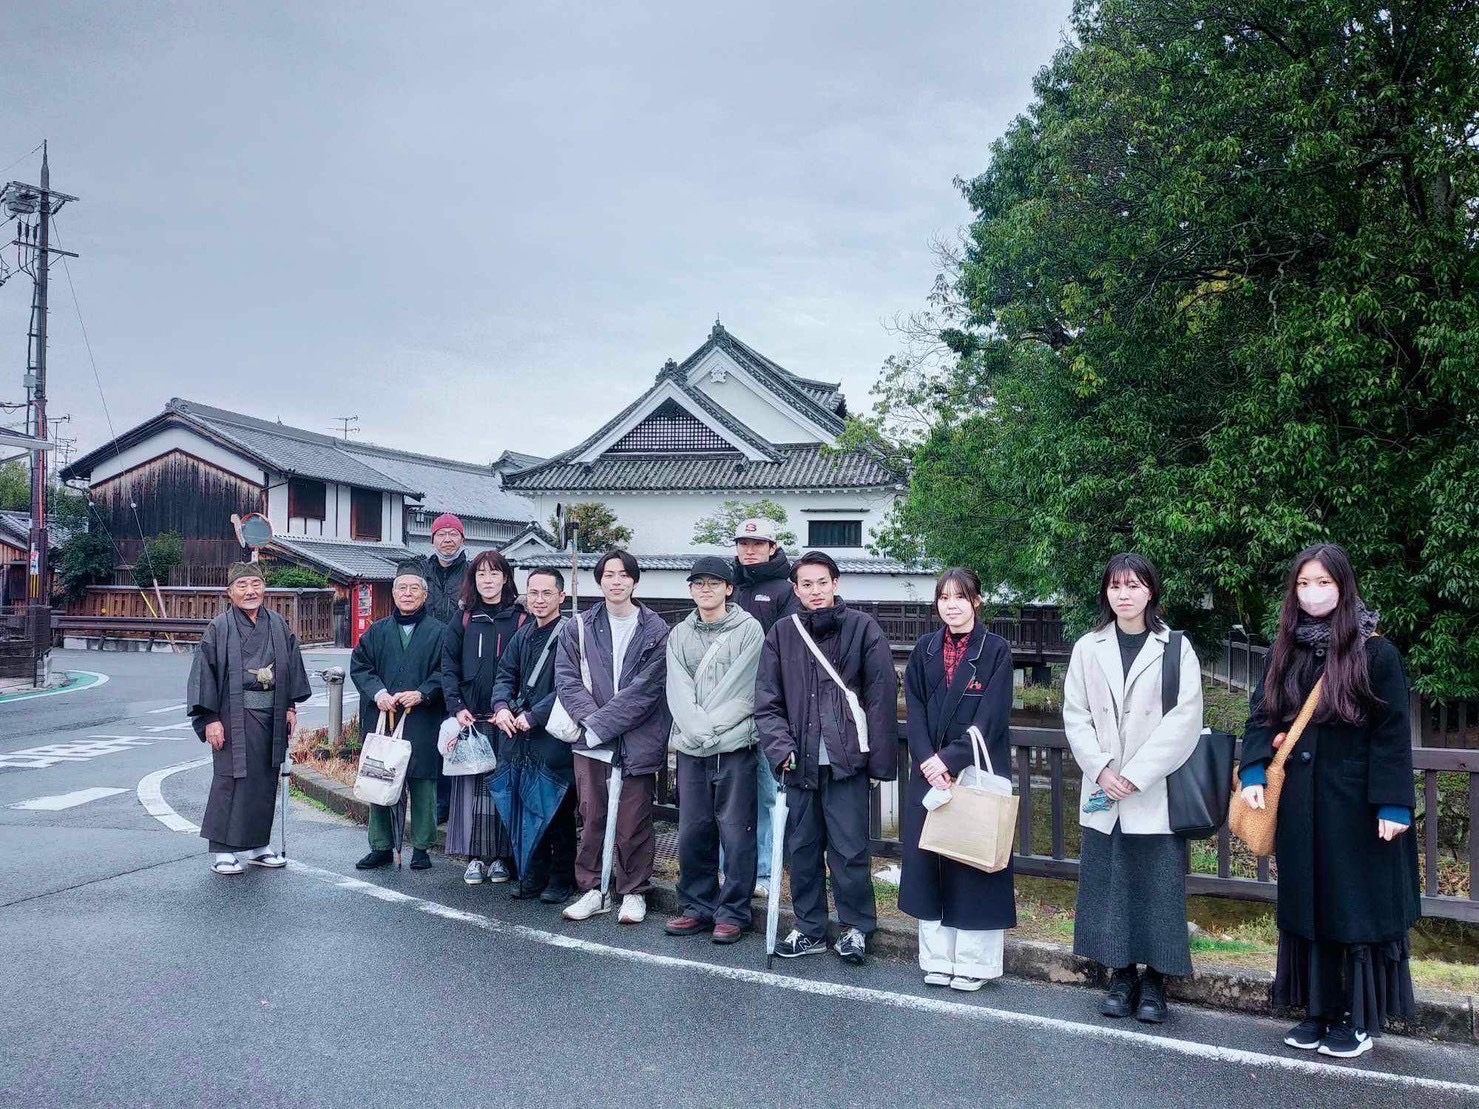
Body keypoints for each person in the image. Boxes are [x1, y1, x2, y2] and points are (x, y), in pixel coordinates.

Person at [1238, 544, 1419, 1059]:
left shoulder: (1375, 652)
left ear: (1343, 586)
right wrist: (1254, 769)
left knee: (1352, 910)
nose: (1313, 594)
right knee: (1311, 908)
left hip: (1356, 808)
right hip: (1301, 804)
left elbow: (1391, 733)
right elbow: (1263, 716)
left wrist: (1393, 804)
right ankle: (1317, 1012)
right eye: (1303, 584)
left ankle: (1355, 1020)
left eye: (1323, 583)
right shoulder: (1285, 649)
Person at [1062, 553, 1203, 1023]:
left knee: (1157, 887)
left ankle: (1155, 983)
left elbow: (1184, 719)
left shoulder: (1176, 647)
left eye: (1134, 586)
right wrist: (1102, 769)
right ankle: (1120, 976)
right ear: (1106, 593)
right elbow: (1075, 714)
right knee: (1110, 884)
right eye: (1116, 586)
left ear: (1151, 592)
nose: (1124, 595)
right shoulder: (1088, 646)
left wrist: (1137, 774)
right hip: (1103, 788)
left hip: (1153, 788)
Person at [754, 550, 898, 965]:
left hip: (845, 760)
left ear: (836, 584)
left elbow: (881, 694)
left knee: (850, 849)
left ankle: (855, 928)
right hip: (798, 761)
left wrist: (878, 762)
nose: (815, 591)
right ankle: (810, 927)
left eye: (822, 583)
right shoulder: (783, 632)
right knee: (802, 848)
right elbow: (767, 700)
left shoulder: (862, 628)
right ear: (795, 589)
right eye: (806, 584)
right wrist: (780, 749)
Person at [900, 567, 1015, 990]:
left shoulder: (996, 650)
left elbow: (993, 716)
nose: (951, 605)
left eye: (960, 597)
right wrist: (928, 760)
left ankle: (974, 963)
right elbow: (913, 709)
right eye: (944, 597)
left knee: (974, 862)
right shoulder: (924, 649)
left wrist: (948, 760)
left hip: (975, 770)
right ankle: (936, 957)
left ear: (977, 601)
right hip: (931, 773)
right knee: (930, 860)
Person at [553, 550, 671, 924]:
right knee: (591, 814)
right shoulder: (579, 626)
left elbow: (648, 688)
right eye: (608, 574)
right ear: (599, 580)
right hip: (591, 740)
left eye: (623, 574)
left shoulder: (656, 630)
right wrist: (592, 724)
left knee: (634, 818)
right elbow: (567, 679)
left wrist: (603, 724)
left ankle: (633, 890)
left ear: (635, 581)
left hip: (637, 736)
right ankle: (592, 888)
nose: (616, 581)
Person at [664, 556, 765, 944]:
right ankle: (696, 906)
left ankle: (734, 912)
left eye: (713, 583)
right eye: (698, 583)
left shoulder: (749, 630)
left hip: (735, 745)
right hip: (692, 748)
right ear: (690, 589)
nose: (705, 589)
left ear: (729, 588)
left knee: (737, 833)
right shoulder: (679, 635)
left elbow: (745, 692)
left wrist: (705, 730)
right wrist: (697, 731)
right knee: (693, 830)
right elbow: (678, 689)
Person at [187, 562, 312, 875]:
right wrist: (210, 718)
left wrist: (290, 707)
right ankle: (222, 850)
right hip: (232, 715)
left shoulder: (278, 625)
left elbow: (291, 666)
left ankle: (258, 846)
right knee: (230, 778)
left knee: (265, 779)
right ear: (230, 592)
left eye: (255, 584)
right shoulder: (220, 627)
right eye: (242, 585)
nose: (250, 591)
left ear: (264, 588)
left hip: (271, 713)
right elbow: (205, 675)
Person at [351, 563, 448, 871]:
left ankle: (422, 847)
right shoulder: (377, 632)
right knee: (379, 779)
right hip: (384, 717)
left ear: (425, 594)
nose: (407, 594)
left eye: (414, 588)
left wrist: (423, 692)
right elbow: (361, 667)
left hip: (423, 718)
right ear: (392, 593)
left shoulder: (441, 633)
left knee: (423, 783)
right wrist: (378, 693)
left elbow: (446, 672)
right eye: (401, 588)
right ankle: (380, 846)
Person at [490, 568, 578, 904]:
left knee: (556, 809)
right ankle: (533, 873)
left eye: (546, 593)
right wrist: (500, 707)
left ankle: (561, 878)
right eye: (533, 593)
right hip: (517, 734)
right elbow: (505, 673)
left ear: (561, 597)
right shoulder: (523, 634)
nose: (539, 600)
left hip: (551, 736)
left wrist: (533, 715)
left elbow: (568, 686)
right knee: (525, 807)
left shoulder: (570, 634)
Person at [441, 550, 524, 886]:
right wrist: (456, 706)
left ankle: (503, 858)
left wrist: (516, 708)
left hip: (507, 720)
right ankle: (474, 857)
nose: (488, 581)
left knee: (504, 789)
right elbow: (448, 665)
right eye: (481, 575)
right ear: (472, 580)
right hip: (471, 719)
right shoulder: (463, 618)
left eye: (494, 574)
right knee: (471, 791)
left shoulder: (519, 618)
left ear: (505, 578)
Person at [729, 516, 800, 902]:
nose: (750, 550)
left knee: (770, 795)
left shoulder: (785, 591)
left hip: (770, 709)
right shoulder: (728, 586)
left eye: (758, 544)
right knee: (730, 795)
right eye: (743, 543)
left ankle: (766, 873)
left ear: (773, 547)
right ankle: (731, 869)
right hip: (728, 710)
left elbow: (788, 650)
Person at [422, 512, 468, 824]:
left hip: (462, 662)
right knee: (429, 734)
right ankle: (435, 803)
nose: (447, 540)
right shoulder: (420, 571)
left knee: (457, 731)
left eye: (453, 534)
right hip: (426, 662)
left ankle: (457, 803)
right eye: (442, 534)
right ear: (433, 538)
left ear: (462, 539)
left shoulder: (473, 572)